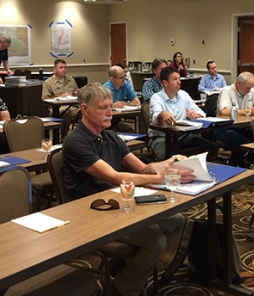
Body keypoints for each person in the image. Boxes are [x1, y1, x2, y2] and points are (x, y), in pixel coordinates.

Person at [63, 82, 194, 296]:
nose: (110, 112)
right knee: (155, 240)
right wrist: (161, 179)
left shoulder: (111, 136)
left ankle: (125, 268)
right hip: (90, 213)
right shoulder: (75, 142)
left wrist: (169, 163)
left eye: (110, 106)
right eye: (102, 108)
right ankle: (122, 288)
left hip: (118, 204)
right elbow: (113, 176)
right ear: (85, 109)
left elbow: (143, 168)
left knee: (176, 220)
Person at [148, 67, 219, 161]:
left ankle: (198, 171)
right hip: (162, 138)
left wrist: (196, 115)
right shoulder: (156, 98)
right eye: (175, 79)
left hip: (183, 136)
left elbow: (201, 112)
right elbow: (156, 116)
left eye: (179, 78)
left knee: (212, 148)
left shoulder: (183, 95)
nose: (179, 82)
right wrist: (162, 114)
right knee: (170, 158)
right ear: (165, 83)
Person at [216, 72, 254, 167]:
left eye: (251, 87)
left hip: (243, 126)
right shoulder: (226, 91)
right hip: (225, 128)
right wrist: (247, 111)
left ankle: (249, 161)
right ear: (239, 83)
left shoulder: (250, 91)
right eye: (247, 87)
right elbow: (224, 111)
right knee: (243, 142)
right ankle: (236, 163)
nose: (249, 91)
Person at [41, 59, 79, 140]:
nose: (64, 70)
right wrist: (59, 98)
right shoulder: (48, 82)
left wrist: (76, 93)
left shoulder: (71, 80)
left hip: (73, 106)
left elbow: (77, 92)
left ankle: (79, 137)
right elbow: (45, 99)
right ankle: (63, 138)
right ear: (55, 69)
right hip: (58, 109)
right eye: (61, 68)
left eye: (65, 68)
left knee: (85, 112)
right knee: (66, 114)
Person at [103, 65, 140, 133]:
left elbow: (137, 102)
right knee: (114, 135)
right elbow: (101, 108)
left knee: (132, 132)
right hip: (106, 120)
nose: (124, 79)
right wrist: (112, 106)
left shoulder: (125, 85)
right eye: (121, 78)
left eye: (124, 76)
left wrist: (124, 104)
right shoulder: (105, 89)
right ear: (112, 79)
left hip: (118, 119)